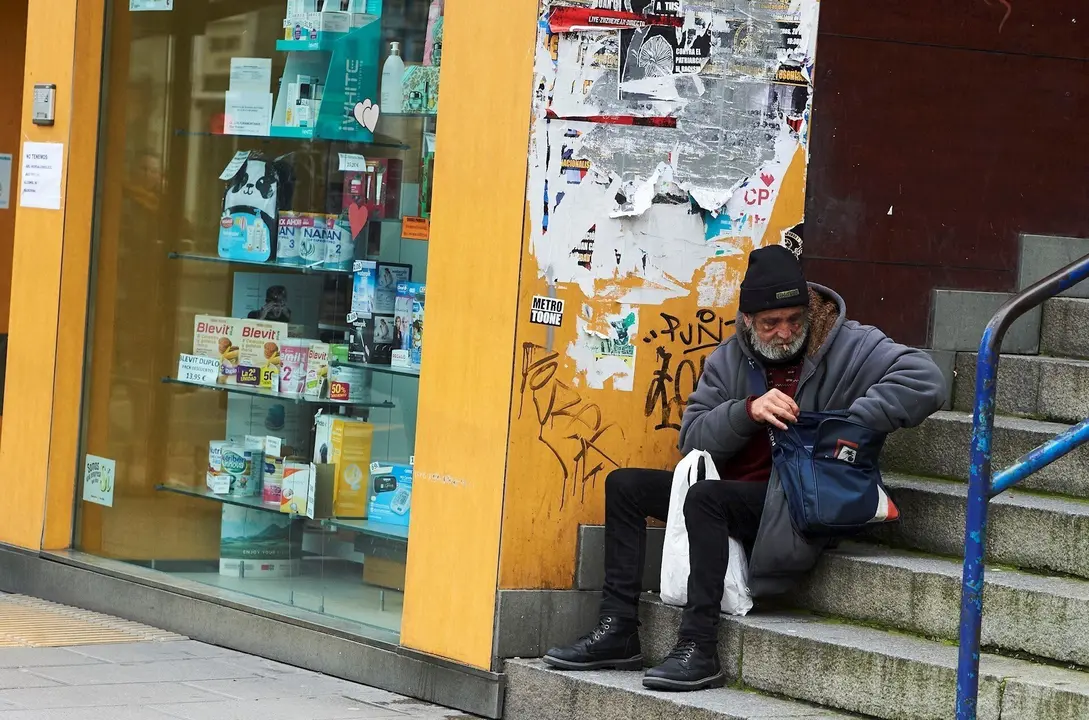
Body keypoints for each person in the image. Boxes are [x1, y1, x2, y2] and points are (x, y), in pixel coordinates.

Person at [542, 238, 947, 691]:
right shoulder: (731, 358)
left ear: (809, 313)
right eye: (771, 323)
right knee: (625, 485)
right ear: (749, 321)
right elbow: (692, 439)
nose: (784, 333)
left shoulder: (848, 344)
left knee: (705, 499)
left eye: (795, 321)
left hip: (797, 500)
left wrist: (846, 426)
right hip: (736, 494)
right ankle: (617, 629)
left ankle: (699, 648)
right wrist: (747, 411)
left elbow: (926, 378)